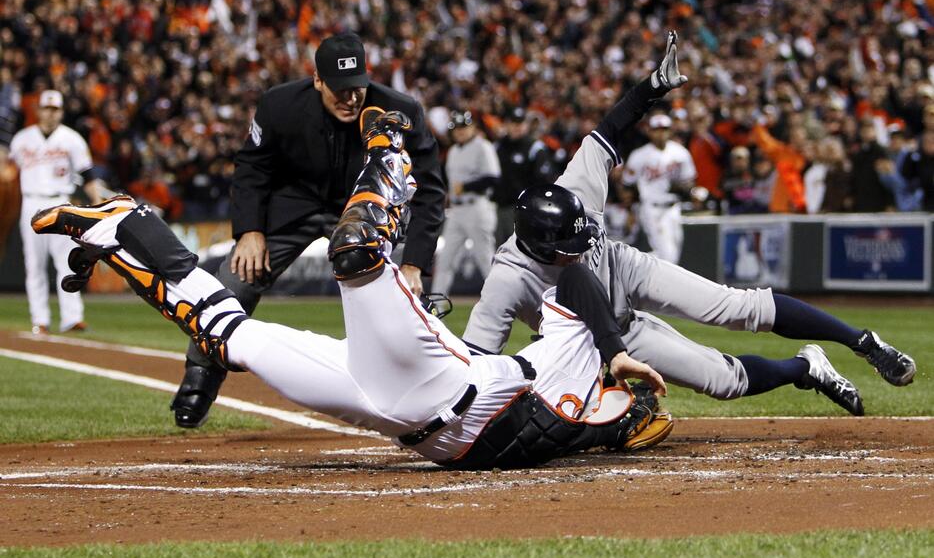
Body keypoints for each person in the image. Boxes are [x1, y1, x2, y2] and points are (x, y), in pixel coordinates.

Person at [31, 109, 671, 470]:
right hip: (443, 385)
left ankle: (125, 226)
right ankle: (392, 153)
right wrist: (614, 349)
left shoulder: (601, 410)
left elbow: (586, 426)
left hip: (391, 413)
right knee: (356, 253)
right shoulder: (577, 318)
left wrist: (620, 413)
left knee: (224, 334)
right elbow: (580, 286)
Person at [464, 32, 916, 414]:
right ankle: (808, 368)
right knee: (724, 382)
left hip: (624, 270)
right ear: (540, 248)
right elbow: (476, 364)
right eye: (569, 245)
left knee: (737, 306)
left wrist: (652, 87)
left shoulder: (574, 190)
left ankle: (864, 343)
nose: (581, 245)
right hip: (595, 337)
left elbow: (609, 127)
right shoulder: (508, 279)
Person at [171, 32, 446, 429]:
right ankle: (200, 377)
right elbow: (252, 167)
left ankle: (430, 396)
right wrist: (249, 231)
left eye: (358, 88)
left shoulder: (401, 111)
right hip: (293, 208)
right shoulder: (279, 105)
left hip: (362, 212)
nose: (351, 98)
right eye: (340, 88)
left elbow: (430, 192)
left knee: (409, 298)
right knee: (234, 282)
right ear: (317, 80)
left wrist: (415, 265)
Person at [8, 89, 104, 334]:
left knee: (67, 263)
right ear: (38, 110)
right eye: (47, 108)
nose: (51, 113)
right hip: (31, 203)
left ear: (61, 112)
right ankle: (39, 319)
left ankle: (72, 319)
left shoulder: (72, 139)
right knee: (34, 265)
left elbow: (88, 175)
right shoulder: (22, 139)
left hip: (60, 203)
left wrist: (98, 205)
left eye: (56, 109)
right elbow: (7, 170)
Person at [430, 110, 500, 296]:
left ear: (473, 128)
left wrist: (467, 186)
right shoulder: (453, 151)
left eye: (463, 127)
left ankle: (501, 301)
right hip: (456, 211)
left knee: (485, 260)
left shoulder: (483, 146)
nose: (460, 131)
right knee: (445, 261)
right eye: (456, 128)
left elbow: (493, 178)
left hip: (477, 208)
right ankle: (435, 308)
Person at [622, 113, 697, 264]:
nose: (661, 133)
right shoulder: (640, 155)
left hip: (673, 208)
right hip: (652, 208)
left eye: (664, 129)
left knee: (674, 249)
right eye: (657, 129)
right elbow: (627, 185)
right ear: (649, 131)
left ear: (670, 131)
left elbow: (690, 180)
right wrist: (630, 212)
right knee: (667, 254)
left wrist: (682, 188)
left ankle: (637, 267)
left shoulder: (680, 152)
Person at [493, 107, 556, 247]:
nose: (517, 127)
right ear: (507, 124)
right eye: (513, 123)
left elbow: (544, 180)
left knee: (521, 249)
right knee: (499, 250)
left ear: (526, 125)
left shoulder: (534, 147)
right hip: (499, 208)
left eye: (520, 123)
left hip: (524, 210)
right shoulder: (498, 146)